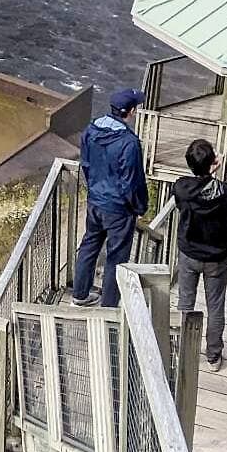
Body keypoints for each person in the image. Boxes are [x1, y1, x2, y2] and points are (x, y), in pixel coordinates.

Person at [72, 87, 149, 308]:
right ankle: (108, 306)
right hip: (119, 209)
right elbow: (132, 181)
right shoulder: (129, 142)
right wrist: (139, 206)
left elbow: (85, 164)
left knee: (89, 245)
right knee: (116, 256)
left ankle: (79, 295)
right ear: (131, 112)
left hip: (96, 201)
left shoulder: (91, 130)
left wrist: (95, 189)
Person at [169, 137, 227, 372]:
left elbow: (189, 194)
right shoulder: (226, 193)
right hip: (217, 257)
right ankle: (213, 355)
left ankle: (181, 351)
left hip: (189, 252)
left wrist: (205, 171)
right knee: (215, 306)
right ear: (213, 163)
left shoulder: (181, 187)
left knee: (185, 301)